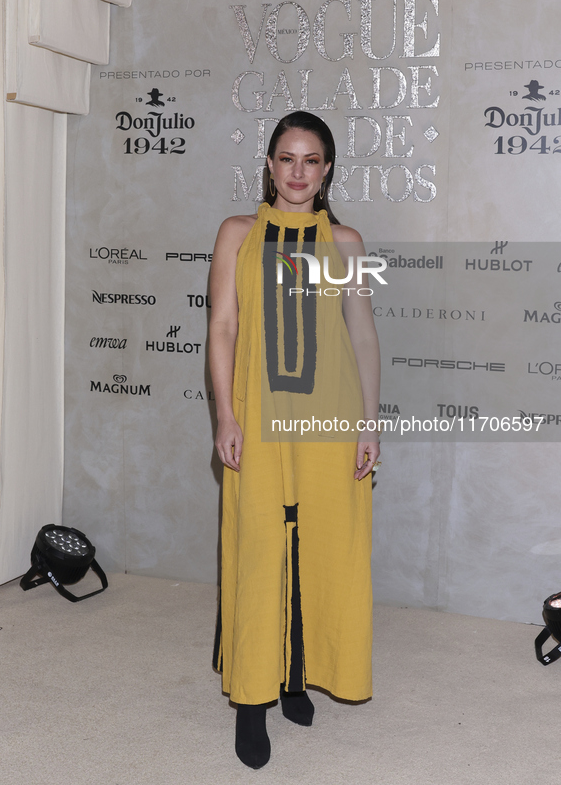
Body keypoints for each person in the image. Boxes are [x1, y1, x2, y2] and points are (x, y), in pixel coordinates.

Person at [209, 111, 381, 769]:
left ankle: (293, 675)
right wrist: (226, 415)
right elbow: (222, 327)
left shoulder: (346, 242)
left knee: (319, 547)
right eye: (287, 158)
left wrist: (368, 421)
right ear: (269, 165)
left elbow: (361, 335)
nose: (298, 171)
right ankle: (251, 700)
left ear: (327, 168)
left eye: (311, 160)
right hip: (256, 415)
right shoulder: (237, 234)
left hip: (328, 419)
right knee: (259, 550)